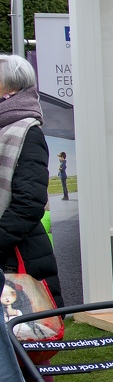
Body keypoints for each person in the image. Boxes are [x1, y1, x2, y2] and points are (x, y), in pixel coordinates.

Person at [0, 57, 59, 303]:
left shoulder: (27, 131)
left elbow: (30, 203)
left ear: (10, 90)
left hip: (15, 254)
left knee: (17, 336)